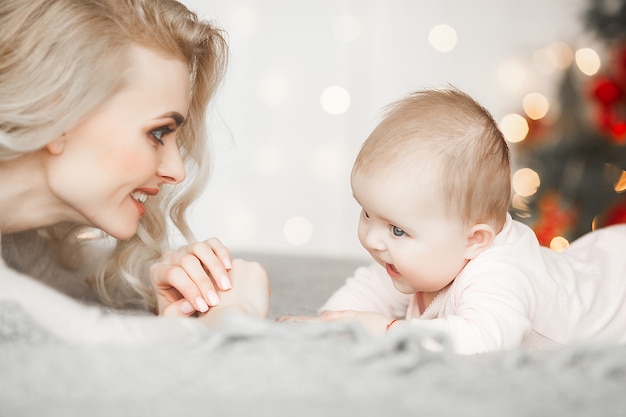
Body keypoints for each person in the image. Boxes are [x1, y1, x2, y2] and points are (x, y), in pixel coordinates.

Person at [0, 0, 269, 344]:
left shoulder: (17, 242)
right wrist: (233, 315)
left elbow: (54, 267)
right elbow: (103, 349)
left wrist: (163, 274)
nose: (176, 172)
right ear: (53, 114)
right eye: (158, 133)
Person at [308, 87, 626, 355]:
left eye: (396, 229)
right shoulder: (420, 257)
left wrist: (390, 331)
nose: (373, 240)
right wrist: (328, 323)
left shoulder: (499, 275)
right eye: (366, 213)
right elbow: (369, 290)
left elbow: (482, 344)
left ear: (473, 240)